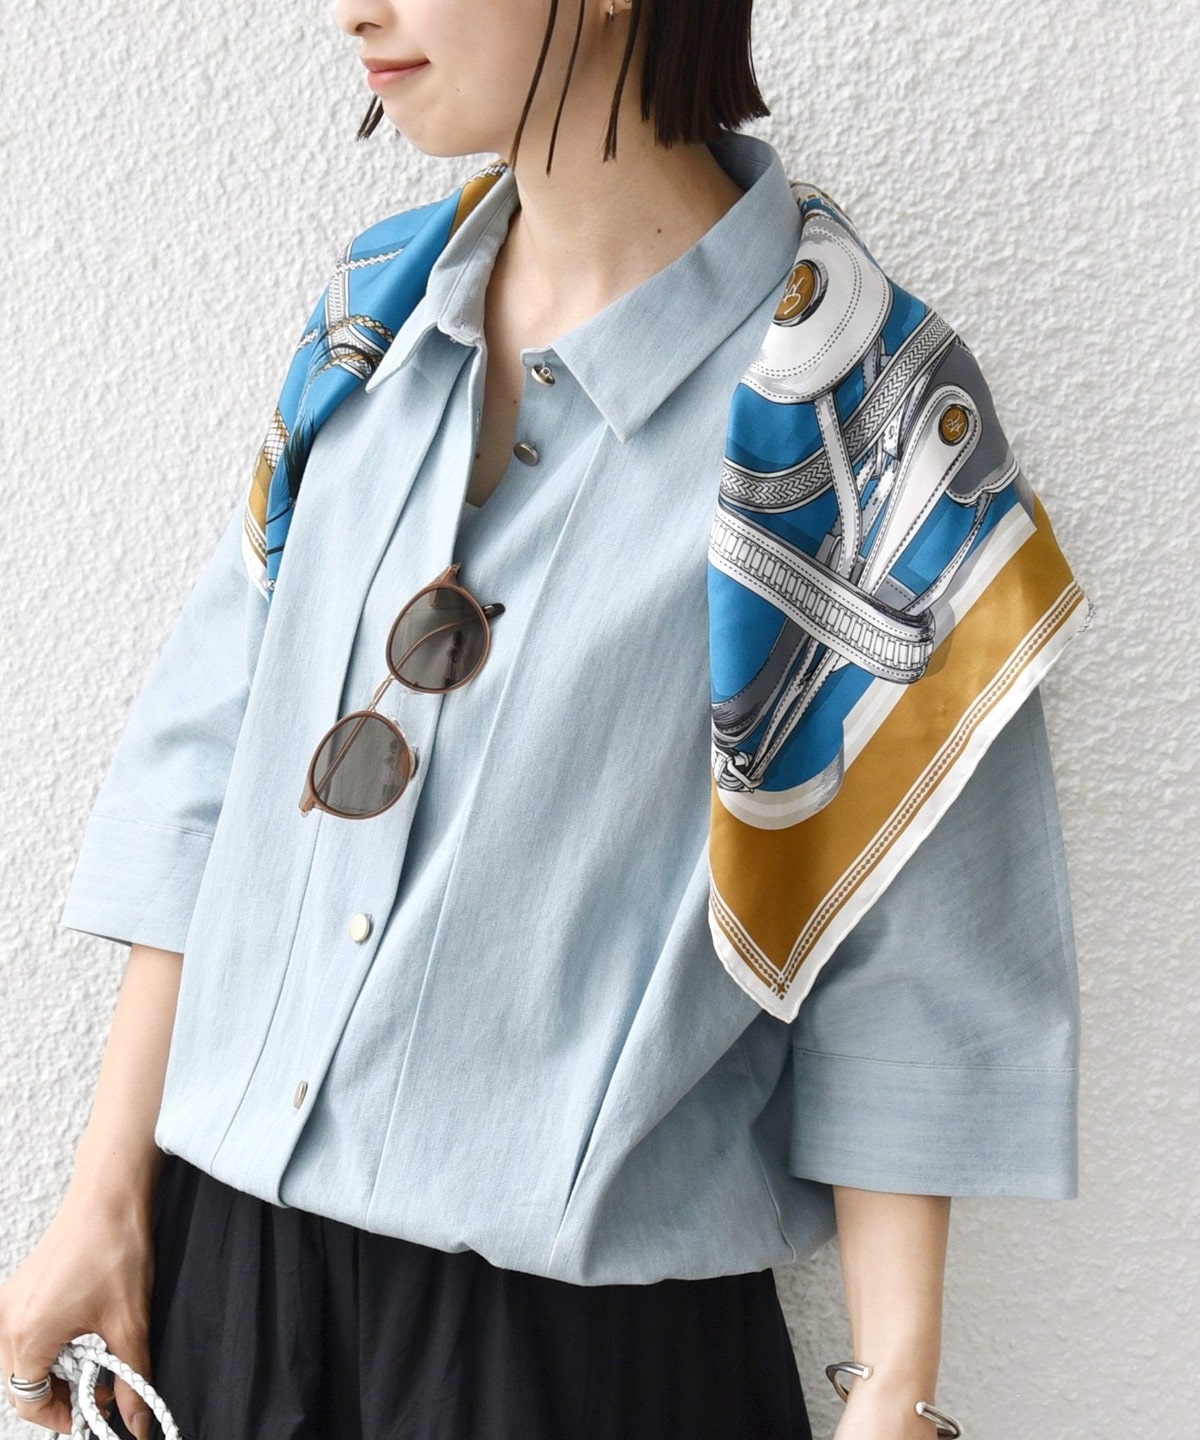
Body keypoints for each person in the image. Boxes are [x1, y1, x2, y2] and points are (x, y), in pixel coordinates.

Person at [0, 1, 1088, 1437]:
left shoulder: (862, 417)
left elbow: (909, 954)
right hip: (228, 1304)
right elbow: (215, 776)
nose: (354, 8)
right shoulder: (371, 326)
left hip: (573, 1361)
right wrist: (106, 1201)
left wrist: (896, 1389)